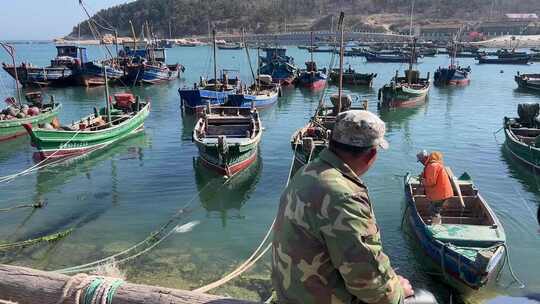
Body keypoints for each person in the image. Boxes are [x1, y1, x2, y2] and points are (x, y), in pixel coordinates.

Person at [272, 110, 413, 304]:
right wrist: (398, 292)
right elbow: (368, 282)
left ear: (331, 144)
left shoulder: (306, 172)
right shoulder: (345, 196)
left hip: (291, 294)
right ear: (372, 154)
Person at [416, 150, 454, 225]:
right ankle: (436, 223)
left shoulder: (432, 166)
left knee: (433, 211)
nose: (421, 162)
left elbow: (431, 182)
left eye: (420, 160)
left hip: (440, 194)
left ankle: (436, 227)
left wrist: (422, 180)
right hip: (442, 192)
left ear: (424, 158)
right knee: (434, 209)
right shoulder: (433, 164)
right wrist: (423, 176)